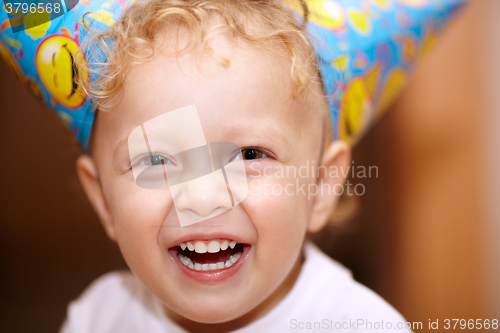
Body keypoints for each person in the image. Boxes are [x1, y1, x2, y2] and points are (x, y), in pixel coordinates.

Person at [0, 0, 463, 332]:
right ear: (103, 198)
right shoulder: (98, 318)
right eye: (157, 159)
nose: (203, 198)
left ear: (321, 186)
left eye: (249, 155)